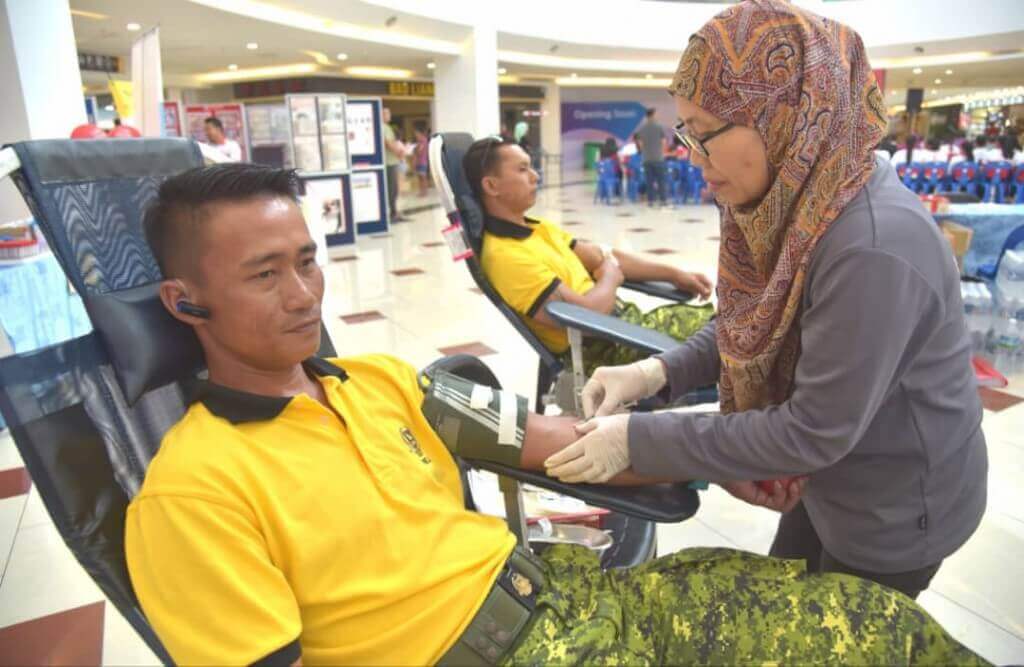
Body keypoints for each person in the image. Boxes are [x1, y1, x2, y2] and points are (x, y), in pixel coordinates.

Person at [125, 162, 985, 666]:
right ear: (185, 300)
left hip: (564, 599)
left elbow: (557, 443)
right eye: (265, 273)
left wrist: (719, 457)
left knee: (869, 621)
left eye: (308, 261)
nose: (304, 292)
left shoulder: (380, 380)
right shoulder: (193, 495)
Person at [548, 0, 987, 602]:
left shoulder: (872, 247)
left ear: (785, 116)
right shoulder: (798, 200)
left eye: (704, 134)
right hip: (832, 482)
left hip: (895, 506)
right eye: (686, 132)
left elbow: (814, 430)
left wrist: (638, 441)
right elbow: (755, 318)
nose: (689, 155)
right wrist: (657, 372)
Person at [465, 137, 714, 373]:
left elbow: (603, 257)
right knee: (729, 336)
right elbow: (587, 316)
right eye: (522, 170)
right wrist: (610, 278)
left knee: (731, 324)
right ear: (491, 185)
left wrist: (674, 274)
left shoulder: (537, 228)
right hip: (606, 351)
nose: (535, 176)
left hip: (627, 327)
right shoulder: (505, 257)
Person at [636, 108, 668, 205]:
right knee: (661, 181)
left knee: (649, 181)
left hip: (647, 159)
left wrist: (645, 151)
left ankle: (651, 201)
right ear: (653, 115)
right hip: (658, 158)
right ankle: (663, 200)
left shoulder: (641, 129)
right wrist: (660, 152)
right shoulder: (659, 127)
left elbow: (640, 144)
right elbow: (663, 142)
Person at [382, 107, 407, 222]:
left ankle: (394, 211)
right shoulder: (383, 127)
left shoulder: (387, 127)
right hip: (389, 162)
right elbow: (387, 143)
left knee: (393, 188)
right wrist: (399, 152)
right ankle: (392, 213)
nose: (389, 115)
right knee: (392, 189)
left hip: (392, 161)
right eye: (386, 113)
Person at [413, 124, 430, 197]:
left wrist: (415, 149)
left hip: (423, 162)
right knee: (420, 177)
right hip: (418, 162)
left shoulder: (424, 140)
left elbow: (419, 151)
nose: (416, 135)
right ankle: (421, 191)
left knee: (423, 177)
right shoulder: (419, 141)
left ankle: (424, 192)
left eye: (416, 133)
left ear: (420, 133)